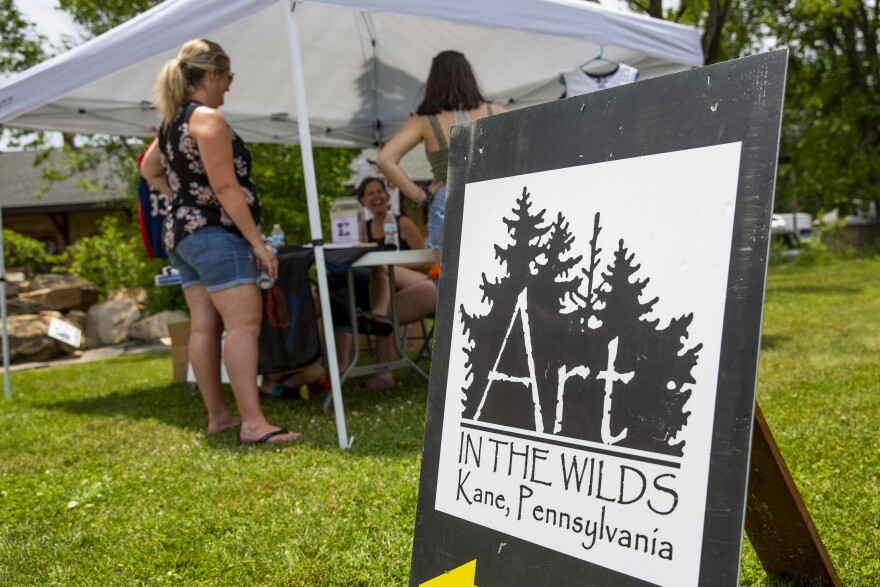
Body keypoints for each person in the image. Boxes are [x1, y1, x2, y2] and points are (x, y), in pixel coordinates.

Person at [140, 38, 298, 444]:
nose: (229, 85)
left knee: (204, 327)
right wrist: (258, 244)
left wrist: (182, 199)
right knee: (243, 326)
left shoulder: (172, 123)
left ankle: (219, 417)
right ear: (213, 74)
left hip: (182, 236)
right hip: (215, 234)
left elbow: (148, 169)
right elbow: (226, 187)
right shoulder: (207, 119)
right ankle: (253, 424)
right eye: (228, 77)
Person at [377, 50, 506, 264]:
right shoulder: (496, 111)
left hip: (448, 200)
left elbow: (384, 160)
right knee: (499, 272)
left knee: (450, 281)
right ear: (468, 76)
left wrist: (422, 196)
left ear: (433, 80)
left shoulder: (424, 120)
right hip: (493, 196)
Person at [356, 177, 437, 390]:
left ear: (387, 195)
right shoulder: (362, 228)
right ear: (362, 201)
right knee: (382, 298)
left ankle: (376, 314)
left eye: (379, 191)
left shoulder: (402, 222)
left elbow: (427, 260)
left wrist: (394, 263)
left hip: (415, 279)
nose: (376, 197)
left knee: (381, 267)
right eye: (370, 193)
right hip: (386, 290)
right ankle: (384, 374)